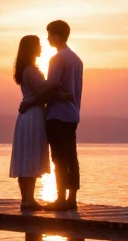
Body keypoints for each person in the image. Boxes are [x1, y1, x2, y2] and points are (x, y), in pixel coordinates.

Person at [19, 20, 83, 210]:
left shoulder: (57, 59)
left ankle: (61, 199)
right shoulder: (77, 59)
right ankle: (71, 198)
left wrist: (31, 101)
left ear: (56, 35)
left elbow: (50, 86)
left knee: (59, 158)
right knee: (71, 155)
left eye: (48, 34)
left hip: (57, 114)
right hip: (72, 114)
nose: (47, 39)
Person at [10, 35, 69, 211]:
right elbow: (44, 91)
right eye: (38, 45)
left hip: (27, 114)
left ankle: (27, 198)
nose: (41, 47)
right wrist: (60, 93)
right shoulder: (30, 71)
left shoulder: (26, 70)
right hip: (33, 116)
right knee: (30, 153)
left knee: (26, 154)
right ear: (30, 48)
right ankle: (28, 198)